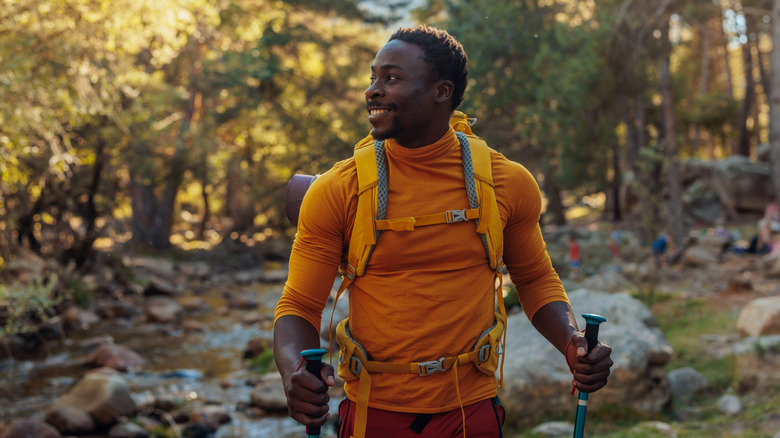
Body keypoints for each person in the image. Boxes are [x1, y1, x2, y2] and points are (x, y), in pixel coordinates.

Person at [274, 25, 613, 437]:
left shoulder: (507, 183)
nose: (373, 91)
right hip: (373, 412)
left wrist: (572, 342)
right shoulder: (339, 190)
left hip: (471, 413)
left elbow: (536, 279)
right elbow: (298, 304)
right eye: (373, 78)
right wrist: (294, 369)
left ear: (442, 92)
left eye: (392, 78)